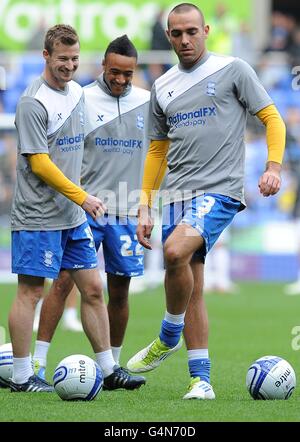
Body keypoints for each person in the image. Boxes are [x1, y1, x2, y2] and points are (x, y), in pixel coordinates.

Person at [127, 3, 286, 400]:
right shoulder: (162, 87)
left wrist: (273, 166)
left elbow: (272, 118)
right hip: (176, 194)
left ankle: (168, 334)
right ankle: (201, 380)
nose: (185, 40)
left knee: (175, 250)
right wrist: (145, 204)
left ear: (206, 30)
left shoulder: (234, 69)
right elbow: (157, 152)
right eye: (177, 33)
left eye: (192, 32)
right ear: (168, 36)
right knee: (192, 283)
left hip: (220, 189)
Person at [9, 25, 144, 393]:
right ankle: (23, 376)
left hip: (71, 216)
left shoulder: (75, 95)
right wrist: (82, 196)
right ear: (46, 57)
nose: (69, 66)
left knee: (93, 289)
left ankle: (109, 368)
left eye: (73, 58)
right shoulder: (33, 102)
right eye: (62, 59)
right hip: (39, 214)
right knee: (31, 292)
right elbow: (39, 162)